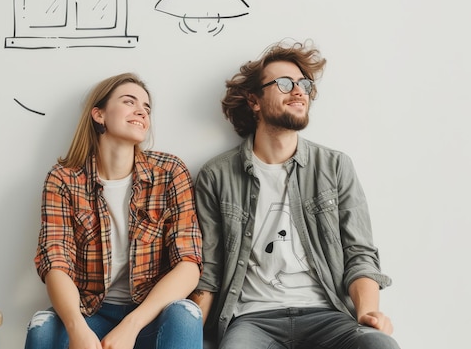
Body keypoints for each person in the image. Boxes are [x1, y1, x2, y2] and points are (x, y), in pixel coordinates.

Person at [189, 40, 401, 349]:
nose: (299, 91)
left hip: (327, 315)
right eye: (285, 84)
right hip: (252, 320)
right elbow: (209, 269)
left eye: (304, 84)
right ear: (254, 100)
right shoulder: (217, 175)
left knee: (380, 346)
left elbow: (360, 254)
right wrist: (191, 334)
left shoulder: (335, 166)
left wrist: (369, 312)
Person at [24, 73, 204, 349]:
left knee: (186, 315)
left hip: (149, 313)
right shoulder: (64, 179)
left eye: (146, 107)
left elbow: (189, 264)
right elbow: (55, 259)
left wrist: (131, 325)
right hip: (91, 312)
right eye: (129, 102)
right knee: (43, 327)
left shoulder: (170, 172)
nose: (141, 111)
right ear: (99, 114)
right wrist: (77, 329)